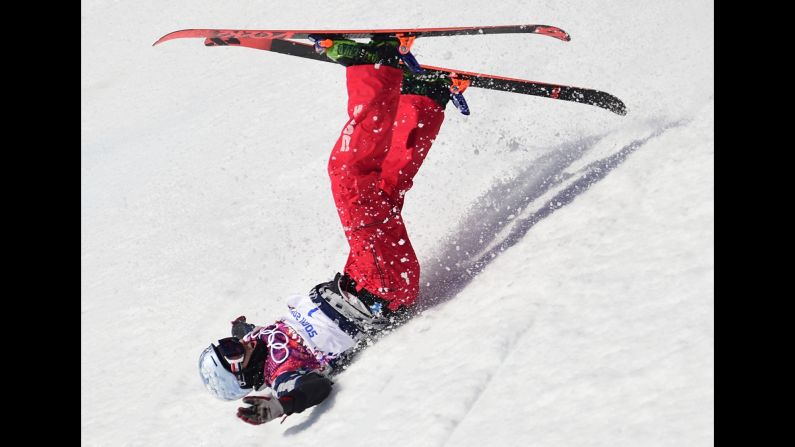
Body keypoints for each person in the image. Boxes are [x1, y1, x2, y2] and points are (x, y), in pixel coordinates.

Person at [198, 36, 454, 425]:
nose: (240, 343)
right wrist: (283, 405)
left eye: (228, 342)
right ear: (244, 377)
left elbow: (251, 330)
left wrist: (241, 328)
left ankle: (425, 99)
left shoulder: (259, 344)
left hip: (361, 276)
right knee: (349, 179)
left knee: (380, 192)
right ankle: (375, 68)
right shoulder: (281, 373)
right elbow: (314, 389)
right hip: (379, 290)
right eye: (234, 351)